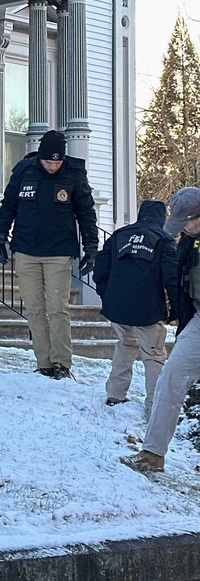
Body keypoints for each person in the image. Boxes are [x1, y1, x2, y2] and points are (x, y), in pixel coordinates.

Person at [0, 130, 98, 379]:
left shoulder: (74, 174)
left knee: (57, 307)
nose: (52, 166)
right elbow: (8, 207)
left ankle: (62, 363)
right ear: (40, 157)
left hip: (59, 251)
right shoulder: (23, 171)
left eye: (57, 162)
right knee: (34, 308)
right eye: (48, 161)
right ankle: (44, 363)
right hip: (26, 249)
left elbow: (86, 213)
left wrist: (91, 248)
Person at [122, 187, 200, 473]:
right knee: (171, 377)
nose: (183, 230)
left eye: (186, 223)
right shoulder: (187, 242)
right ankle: (153, 454)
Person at [95, 200, 178, 419]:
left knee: (125, 344)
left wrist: (105, 296)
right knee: (153, 354)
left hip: (117, 306)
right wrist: (176, 309)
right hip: (147, 309)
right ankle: (154, 405)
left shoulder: (119, 236)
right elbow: (172, 278)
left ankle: (115, 394)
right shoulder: (163, 239)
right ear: (162, 217)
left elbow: (100, 269)